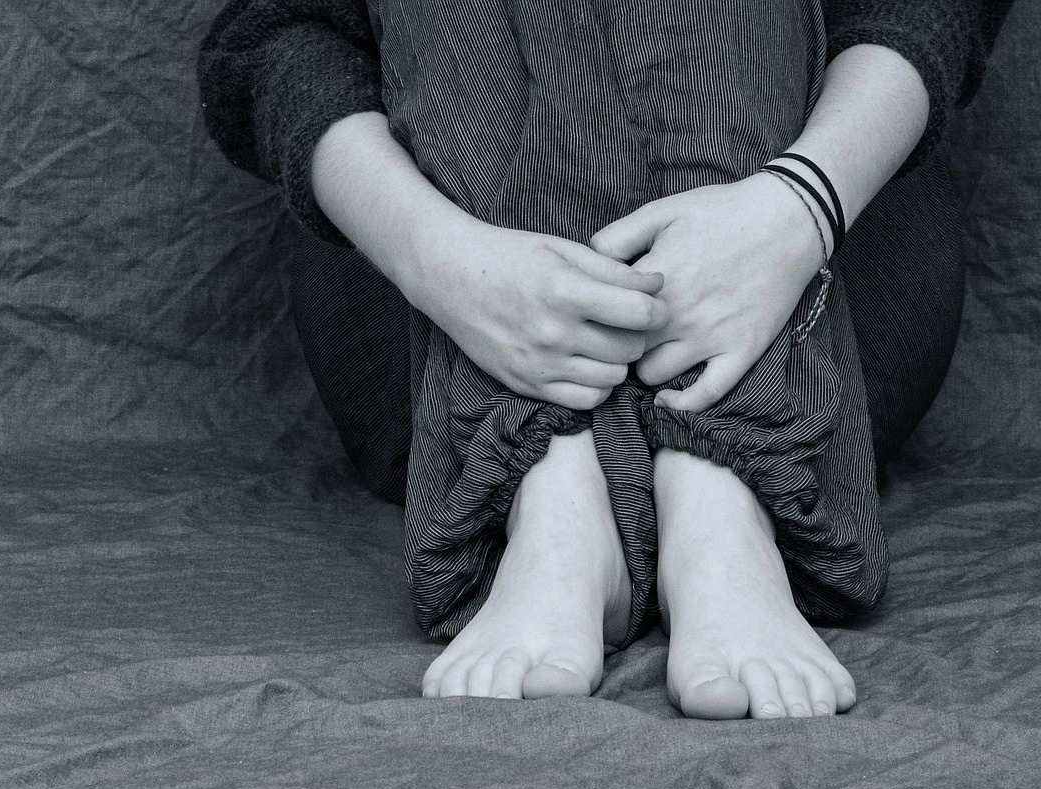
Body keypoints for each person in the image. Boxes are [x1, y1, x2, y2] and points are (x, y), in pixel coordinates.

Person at [199, 0, 1012, 718]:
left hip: (825, 251)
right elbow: (279, 33)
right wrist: (442, 260)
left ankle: (723, 498)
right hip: (429, 286)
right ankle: (552, 481)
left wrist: (800, 204)